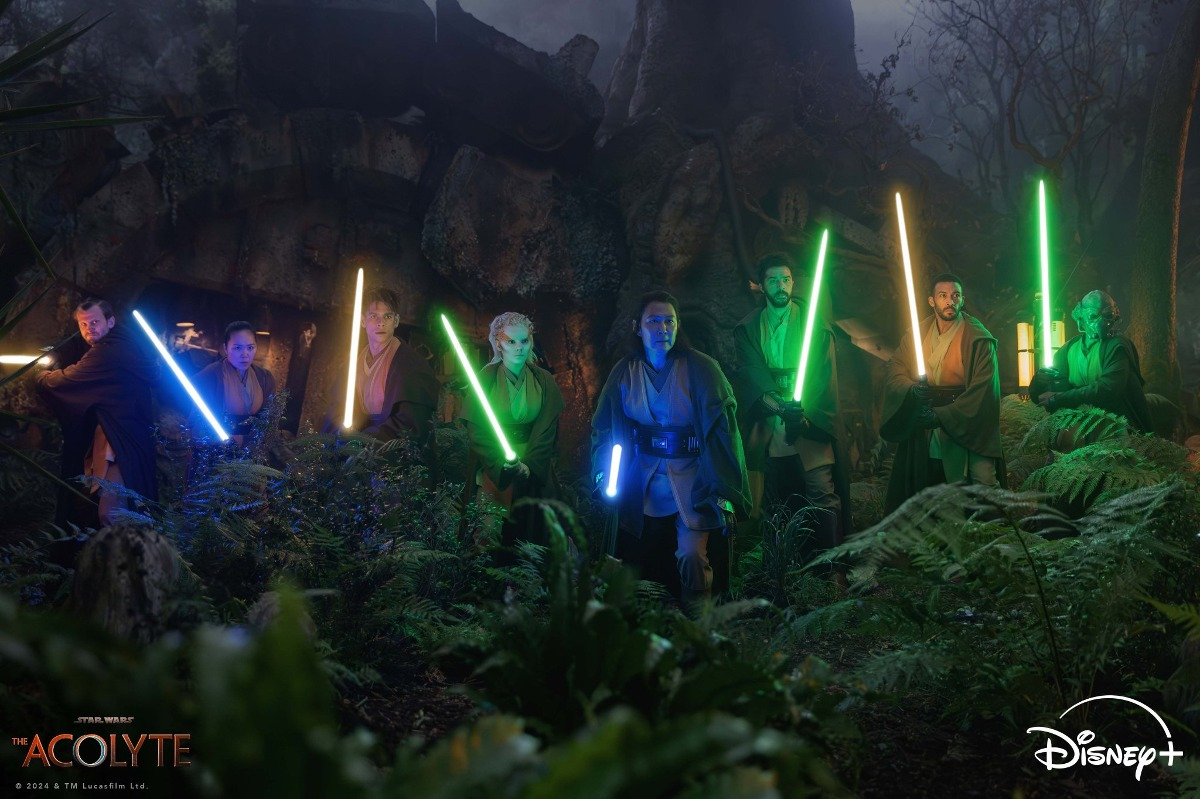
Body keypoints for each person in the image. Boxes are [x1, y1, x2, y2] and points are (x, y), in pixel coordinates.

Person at [590, 291, 750, 606]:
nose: (662, 329)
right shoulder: (624, 371)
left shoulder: (702, 369)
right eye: (653, 321)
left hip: (694, 479)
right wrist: (603, 473)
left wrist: (725, 490)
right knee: (634, 555)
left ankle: (699, 619)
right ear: (637, 327)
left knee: (692, 555)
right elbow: (605, 426)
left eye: (669, 321)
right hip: (641, 479)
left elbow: (724, 432)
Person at [732, 252, 851, 564]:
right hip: (769, 421)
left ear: (793, 282)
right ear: (761, 286)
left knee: (822, 493)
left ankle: (833, 569)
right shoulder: (749, 327)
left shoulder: (813, 324)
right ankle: (778, 572)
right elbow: (751, 372)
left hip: (809, 418)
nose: (780, 285)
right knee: (770, 499)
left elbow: (822, 375)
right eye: (773, 280)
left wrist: (803, 415)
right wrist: (777, 406)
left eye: (785, 279)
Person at [880, 273, 1003, 512]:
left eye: (955, 296)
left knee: (984, 487)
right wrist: (911, 389)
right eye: (943, 296)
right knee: (927, 487)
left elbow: (984, 389)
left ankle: (989, 534)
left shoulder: (978, 339)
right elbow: (896, 368)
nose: (949, 301)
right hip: (925, 417)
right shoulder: (917, 334)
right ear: (932, 301)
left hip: (966, 420)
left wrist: (941, 416)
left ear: (962, 300)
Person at [36, 298, 159, 527]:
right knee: (123, 508)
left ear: (110, 321)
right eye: (83, 324)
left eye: (94, 322)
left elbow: (65, 381)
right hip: (127, 436)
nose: (89, 329)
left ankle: (122, 551)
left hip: (121, 442)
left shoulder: (107, 352)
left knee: (111, 513)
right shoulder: (124, 340)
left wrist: (41, 377)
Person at [461, 312, 564, 551]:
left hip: (534, 461)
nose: (519, 347)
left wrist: (530, 465)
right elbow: (477, 429)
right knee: (488, 535)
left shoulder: (543, 380)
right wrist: (500, 463)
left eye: (524, 341)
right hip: (495, 464)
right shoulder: (486, 377)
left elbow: (548, 427)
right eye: (511, 341)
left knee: (537, 538)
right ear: (499, 343)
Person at [323, 288, 440, 466]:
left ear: (396, 321)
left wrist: (365, 442)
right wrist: (341, 436)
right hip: (355, 445)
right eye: (374, 316)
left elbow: (411, 423)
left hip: (390, 453)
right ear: (363, 320)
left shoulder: (411, 365)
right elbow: (337, 410)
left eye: (387, 316)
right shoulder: (353, 364)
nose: (381, 323)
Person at [1029, 290, 1152, 432]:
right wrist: (1040, 381)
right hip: (1078, 421)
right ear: (1081, 318)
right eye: (1093, 316)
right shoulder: (1070, 349)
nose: (1101, 322)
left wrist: (1060, 398)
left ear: (1115, 315)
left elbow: (1108, 389)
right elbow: (1044, 394)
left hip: (1116, 422)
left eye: (1107, 315)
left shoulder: (1117, 347)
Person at [191, 321, 278, 446]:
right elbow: (198, 420)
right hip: (217, 447)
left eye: (250, 348)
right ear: (225, 348)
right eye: (238, 348)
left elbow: (269, 419)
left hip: (253, 448)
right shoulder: (209, 376)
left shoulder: (265, 378)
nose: (245, 354)